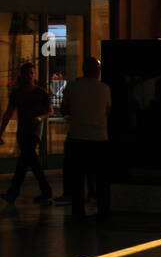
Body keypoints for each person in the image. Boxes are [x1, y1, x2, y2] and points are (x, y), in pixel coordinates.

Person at [62, 56, 112, 223]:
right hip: (99, 138)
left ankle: (78, 212)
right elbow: (108, 112)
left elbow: (64, 109)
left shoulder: (72, 87)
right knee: (101, 178)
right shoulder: (104, 89)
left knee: (77, 178)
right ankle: (103, 210)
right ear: (97, 71)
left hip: (76, 137)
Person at [0, 62, 54, 208]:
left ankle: (13, 192)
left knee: (24, 161)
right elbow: (8, 113)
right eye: (27, 73)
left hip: (34, 132)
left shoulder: (40, 93)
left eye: (31, 73)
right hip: (23, 132)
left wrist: (40, 118)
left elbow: (50, 111)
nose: (29, 76)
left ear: (34, 75)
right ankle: (45, 190)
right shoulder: (17, 94)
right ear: (22, 75)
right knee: (30, 163)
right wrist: (1, 130)